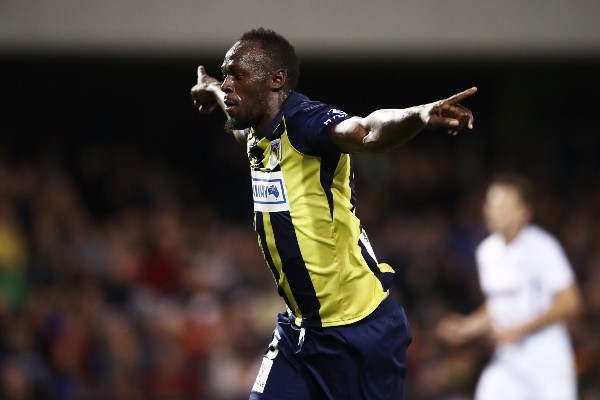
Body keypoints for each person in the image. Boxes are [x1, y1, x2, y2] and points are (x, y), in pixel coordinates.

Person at [191, 27, 477, 400]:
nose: (229, 84)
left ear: (276, 81)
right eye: (226, 75)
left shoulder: (307, 122)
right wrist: (211, 89)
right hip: (300, 333)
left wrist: (419, 115)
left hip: (359, 334)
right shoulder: (256, 131)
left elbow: (366, 131)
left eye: (238, 76)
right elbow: (233, 116)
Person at [436, 172, 582, 400]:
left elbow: (570, 302)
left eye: (503, 205)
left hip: (546, 358)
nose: (493, 210)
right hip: (508, 360)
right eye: (490, 203)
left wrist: (521, 328)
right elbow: (498, 305)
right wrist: (466, 327)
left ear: (523, 213)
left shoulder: (542, 247)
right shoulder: (487, 251)